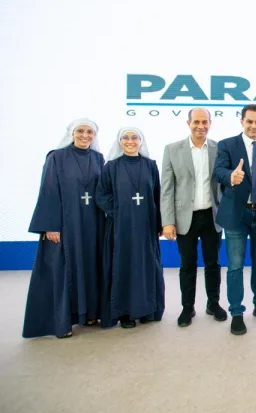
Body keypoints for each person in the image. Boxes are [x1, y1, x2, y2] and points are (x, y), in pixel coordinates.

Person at [23, 119, 105, 339]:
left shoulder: (98, 158)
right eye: (80, 131)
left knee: (90, 267)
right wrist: (50, 225)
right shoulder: (56, 157)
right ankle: (62, 321)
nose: (85, 135)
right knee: (64, 271)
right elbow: (48, 190)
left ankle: (89, 314)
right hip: (66, 225)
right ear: (71, 133)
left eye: (90, 132)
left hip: (92, 224)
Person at [213, 104, 256, 336]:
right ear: (242, 122)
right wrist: (231, 176)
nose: (254, 126)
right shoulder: (227, 145)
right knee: (235, 265)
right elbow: (218, 171)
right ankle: (237, 313)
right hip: (237, 214)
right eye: (249, 121)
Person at [160, 108, 227, 328]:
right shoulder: (172, 150)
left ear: (210, 123)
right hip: (184, 218)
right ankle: (187, 308)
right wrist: (167, 221)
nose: (201, 126)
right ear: (188, 123)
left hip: (212, 216)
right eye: (196, 122)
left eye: (204, 122)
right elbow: (167, 189)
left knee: (213, 263)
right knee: (187, 265)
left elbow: (225, 184)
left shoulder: (219, 149)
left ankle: (213, 304)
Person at [97, 127, 165, 328]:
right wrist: (120, 212)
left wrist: (160, 222)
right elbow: (102, 195)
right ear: (119, 142)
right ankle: (125, 313)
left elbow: (157, 195)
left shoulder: (150, 165)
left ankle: (147, 310)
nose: (130, 141)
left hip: (146, 226)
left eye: (135, 137)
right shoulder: (111, 167)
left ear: (141, 141)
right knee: (124, 266)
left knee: (146, 266)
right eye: (125, 138)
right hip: (121, 227)